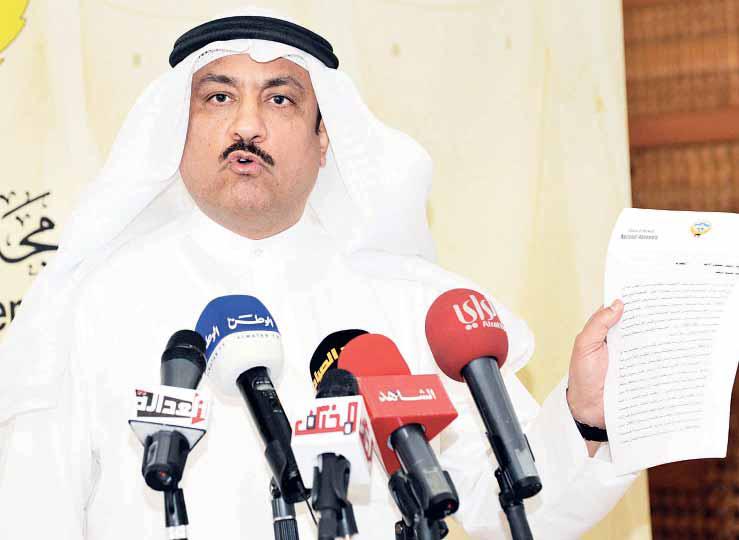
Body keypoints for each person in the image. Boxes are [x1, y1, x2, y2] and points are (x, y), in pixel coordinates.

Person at [0, 7, 634, 539]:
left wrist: (584, 416)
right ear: (177, 127)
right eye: (219, 97)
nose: (247, 125)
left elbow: (518, 509)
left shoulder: (408, 305)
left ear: (324, 137)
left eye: (279, 98)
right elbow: (31, 513)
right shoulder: (91, 304)